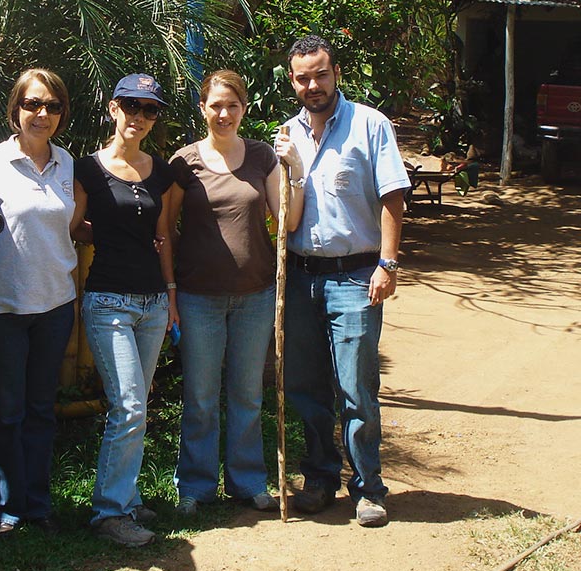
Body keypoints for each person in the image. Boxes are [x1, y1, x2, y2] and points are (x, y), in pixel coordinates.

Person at [281, 35, 409, 528]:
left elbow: (393, 198)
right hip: (301, 278)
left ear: (336, 73)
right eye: (302, 77)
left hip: (356, 276)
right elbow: (286, 216)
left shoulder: (370, 124)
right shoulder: (286, 134)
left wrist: (388, 264)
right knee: (306, 387)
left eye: (320, 74)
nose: (313, 85)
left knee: (356, 386)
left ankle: (368, 488)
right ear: (292, 81)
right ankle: (319, 479)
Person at [168, 70, 304, 516]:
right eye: (215, 105)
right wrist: (169, 291)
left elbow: (287, 222)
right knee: (201, 397)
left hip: (256, 294)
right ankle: (196, 486)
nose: (223, 114)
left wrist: (296, 172)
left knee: (247, 394)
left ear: (244, 108)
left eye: (232, 105)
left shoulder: (262, 156)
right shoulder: (183, 161)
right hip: (197, 296)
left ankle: (247, 482)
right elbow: (164, 231)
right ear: (203, 108)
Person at [70, 73, 178, 548]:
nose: (138, 117)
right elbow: (74, 227)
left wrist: (171, 298)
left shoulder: (162, 172)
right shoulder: (86, 170)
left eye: (149, 110)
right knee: (128, 404)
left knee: (137, 403)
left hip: (153, 302)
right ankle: (110, 513)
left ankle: (126, 496)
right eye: (130, 106)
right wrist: (104, 235)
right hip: (108, 299)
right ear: (113, 108)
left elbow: (163, 236)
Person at [0, 69, 77, 539]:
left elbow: (68, 226)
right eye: (33, 104)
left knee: (40, 409)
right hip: (0, 307)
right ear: (15, 109)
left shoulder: (67, 163)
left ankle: (37, 504)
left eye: (52, 106)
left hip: (55, 303)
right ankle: (4, 511)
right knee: (6, 411)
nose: (42, 114)